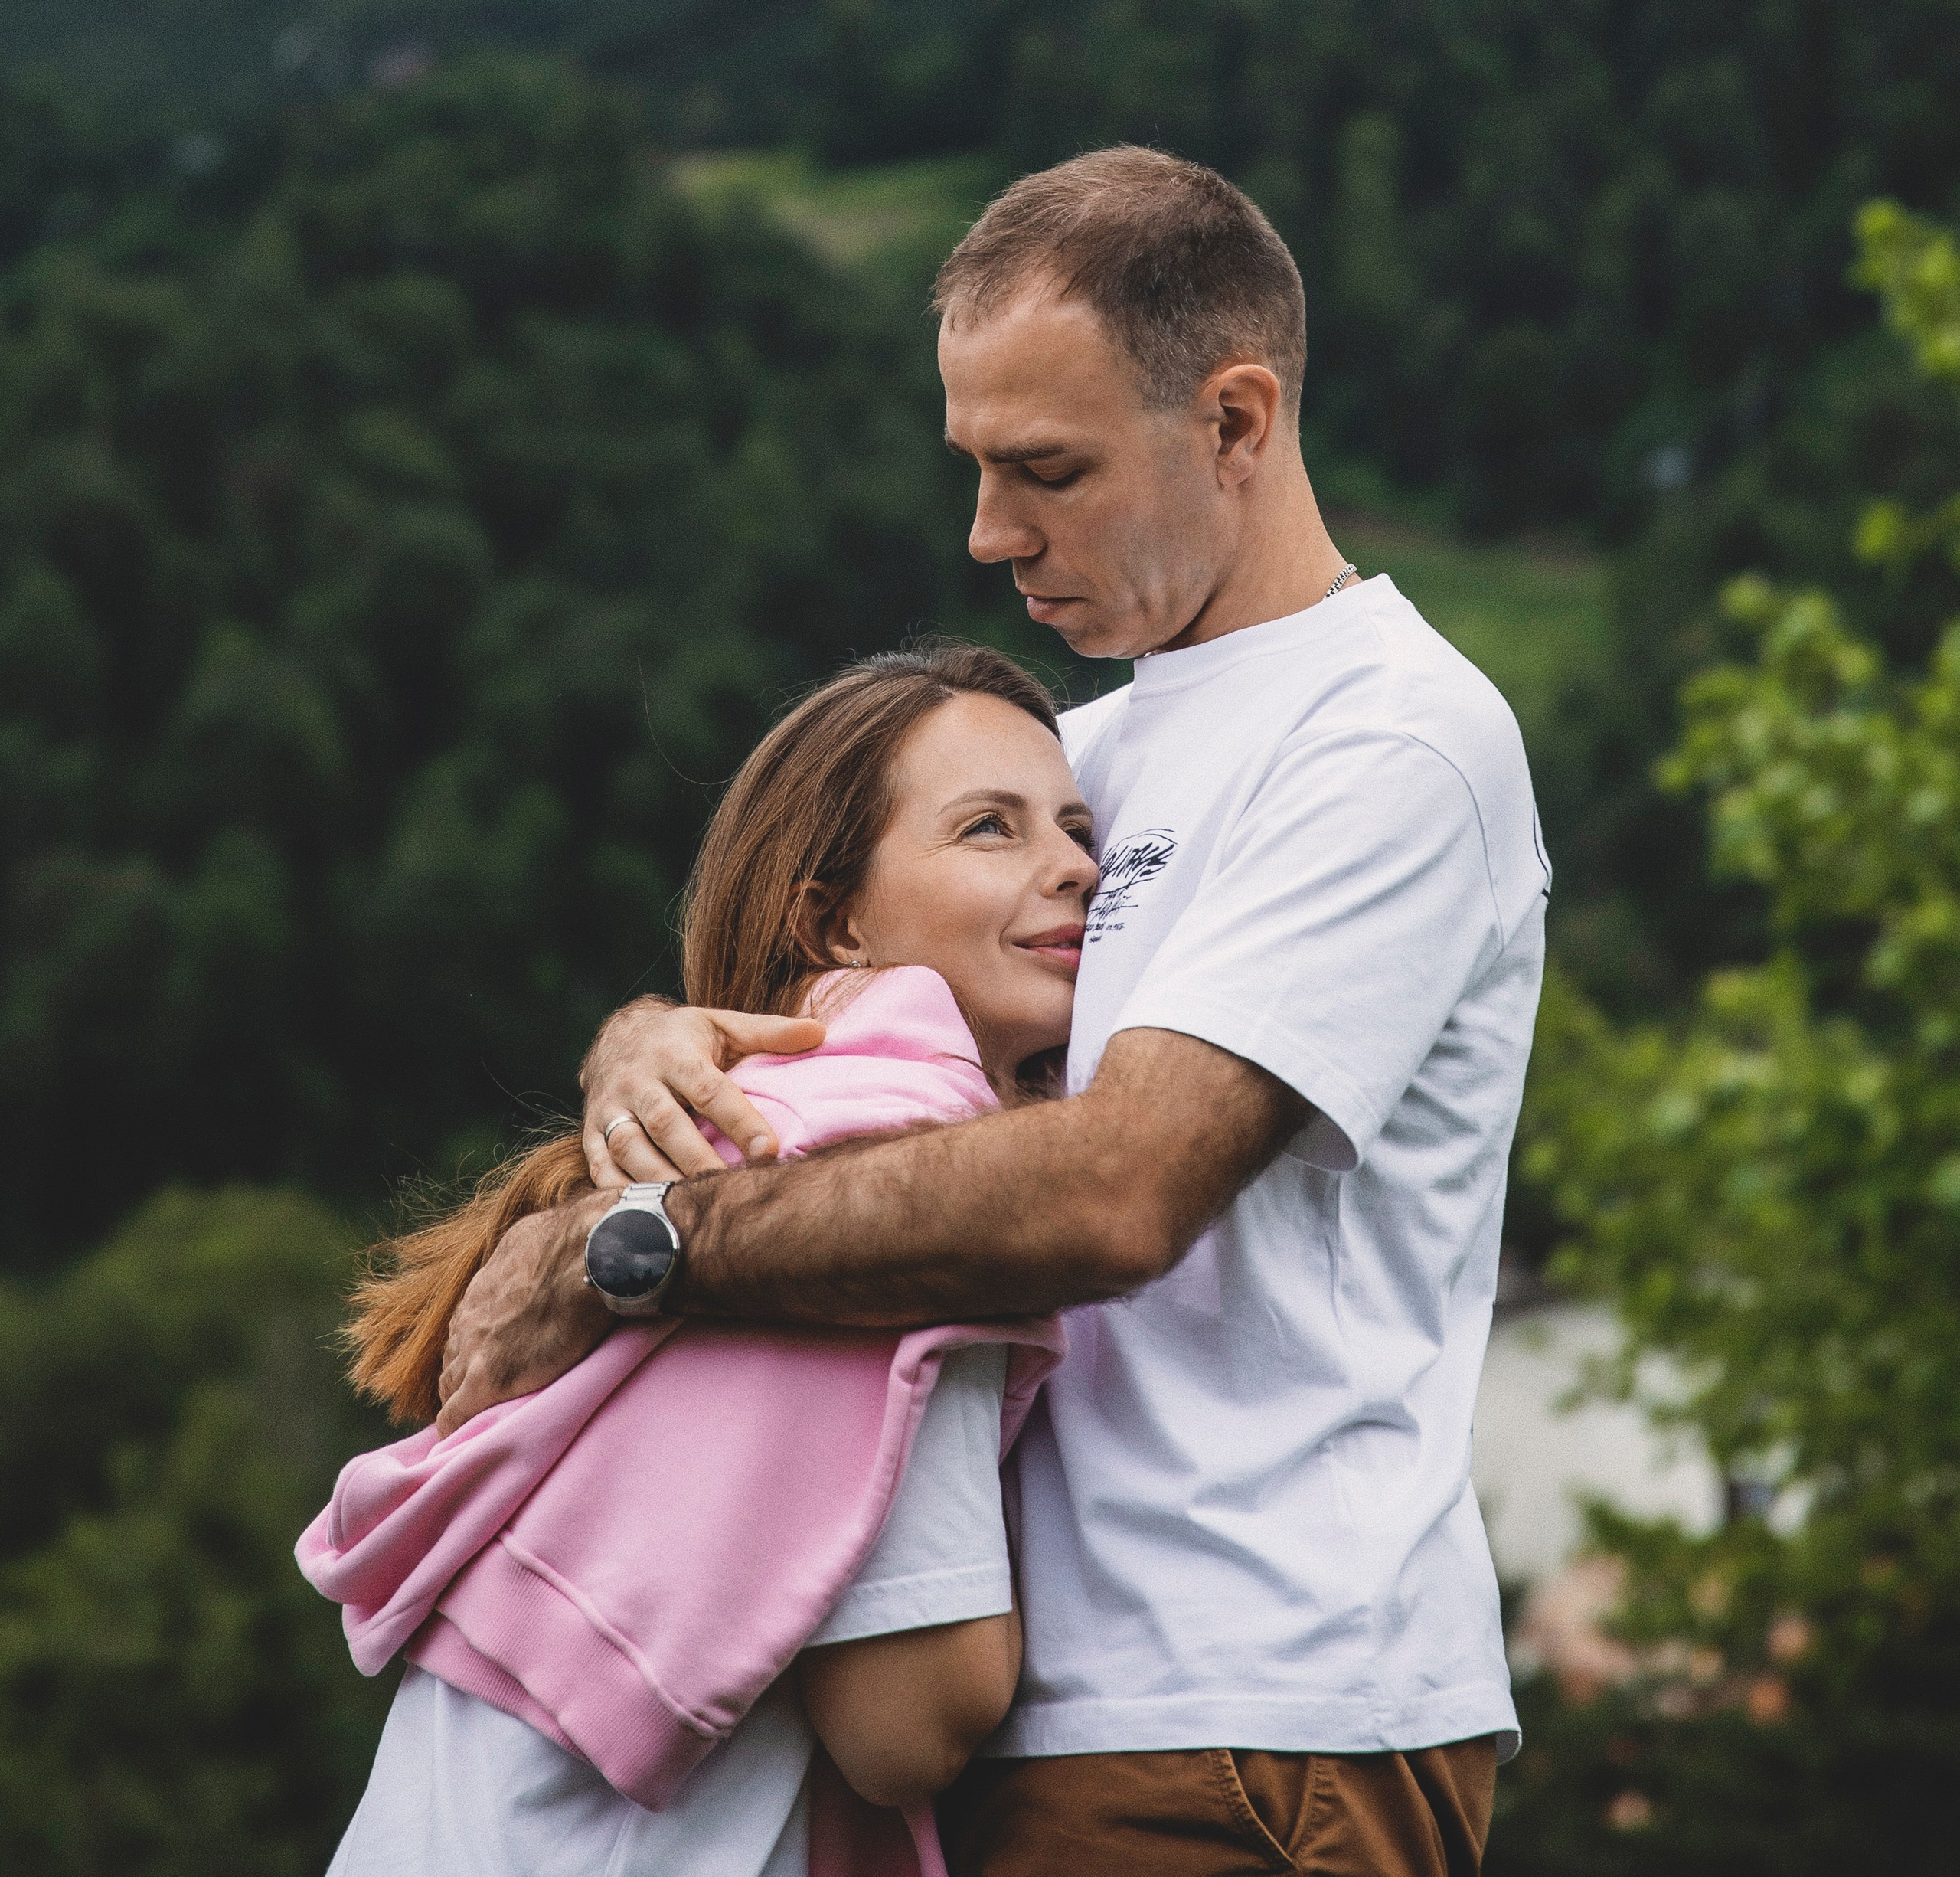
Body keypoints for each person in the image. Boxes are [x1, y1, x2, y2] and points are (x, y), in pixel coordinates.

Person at [439, 148, 1550, 1877]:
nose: (987, 534)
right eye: (973, 467)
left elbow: (1116, 1191)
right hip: (987, 1711)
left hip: (1248, 1718)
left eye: (1048, 471)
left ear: (1237, 421)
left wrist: (640, 1246)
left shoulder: (1388, 737)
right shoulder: (1077, 768)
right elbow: (831, 1033)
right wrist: (646, 1040)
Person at [311, 643, 1093, 1877]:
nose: (1075, 868)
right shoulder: (892, 1157)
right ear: (831, 918)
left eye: (1077, 825)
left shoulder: (750, 1124)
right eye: (990, 829)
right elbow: (911, 1718)